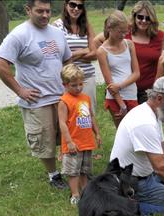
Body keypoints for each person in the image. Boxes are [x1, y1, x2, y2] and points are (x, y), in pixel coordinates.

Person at [0, 0, 72, 189]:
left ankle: (72, 169)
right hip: (37, 101)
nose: (45, 15)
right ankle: (54, 175)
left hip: (61, 97)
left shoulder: (57, 33)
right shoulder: (19, 35)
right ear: (28, 10)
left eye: (48, 11)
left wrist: (70, 85)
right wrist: (20, 90)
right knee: (45, 140)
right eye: (40, 11)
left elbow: (68, 59)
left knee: (67, 136)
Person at [109, 77, 164, 216]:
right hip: (131, 182)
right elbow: (160, 167)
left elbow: (163, 150)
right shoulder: (144, 123)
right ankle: (126, 205)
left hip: (143, 173)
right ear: (159, 98)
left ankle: (162, 187)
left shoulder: (153, 113)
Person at [53, 0, 102, 160]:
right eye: (72, 5)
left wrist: (73, 54)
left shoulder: (85, 25)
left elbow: (95, 52)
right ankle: (64, 149)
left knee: (85, 114)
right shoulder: (58, 26)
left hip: (86, 76)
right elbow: (58, 55)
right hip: (67, 78)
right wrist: (84, 51)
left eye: (80, 6)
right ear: (66, 5)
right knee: (67, 115)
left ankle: (87, 146)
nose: (76, 9)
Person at [58, 64, 101, 205]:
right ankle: (75, 194)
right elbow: (62, 123)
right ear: (65, 84)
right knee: (73, 170)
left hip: (86, 141)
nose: (78, 88)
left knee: (85, 169)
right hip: (73, 143)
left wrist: (97, 133)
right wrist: (69, 141)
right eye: (73, 85)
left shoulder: (85, 98)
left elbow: (91, 116)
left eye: (80, 84)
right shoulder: (64, 101)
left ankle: (86, 191)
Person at [97, 10, 140, 128]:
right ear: (109, 28)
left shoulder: (129, 44)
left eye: (125, 32)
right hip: (115, 98)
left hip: (131, 94)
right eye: (120, 32)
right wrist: (122, 105)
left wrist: (120, 86)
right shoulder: (102, 51)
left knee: (135, 130)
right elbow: (110, 83)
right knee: (122, 132)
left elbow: (136, 73)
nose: (123, 35)